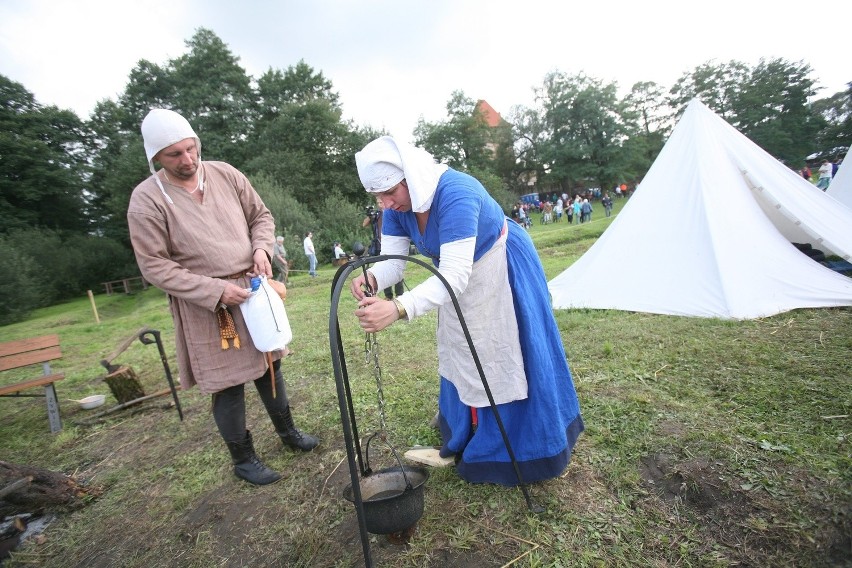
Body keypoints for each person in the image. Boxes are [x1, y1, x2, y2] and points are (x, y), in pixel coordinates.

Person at [348, 136, 583, 486]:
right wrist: (373, 275)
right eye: (377, 196)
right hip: (454, 270)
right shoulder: (396, 208)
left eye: (390, 192)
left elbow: (456, 274)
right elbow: (394, 266)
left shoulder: (457, 192)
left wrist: (398, 308)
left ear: (411, 177)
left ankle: (516, 446)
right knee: (461, 345)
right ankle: (468, 426)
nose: (384, 203)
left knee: (499, 348)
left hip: (498, 261)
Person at [126, 109, 318, 487]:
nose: (188, 160)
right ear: (155, 158)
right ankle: (243, 459)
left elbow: (261, 217)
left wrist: (262, 249)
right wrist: (214, 290)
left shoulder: (226, 174)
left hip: (252, 288)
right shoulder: (147, 200)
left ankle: (288, 434)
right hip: (206, 305)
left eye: (190, 148)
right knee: (227, 383)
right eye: (174, 155)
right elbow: (154, 265)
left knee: (270, 365)